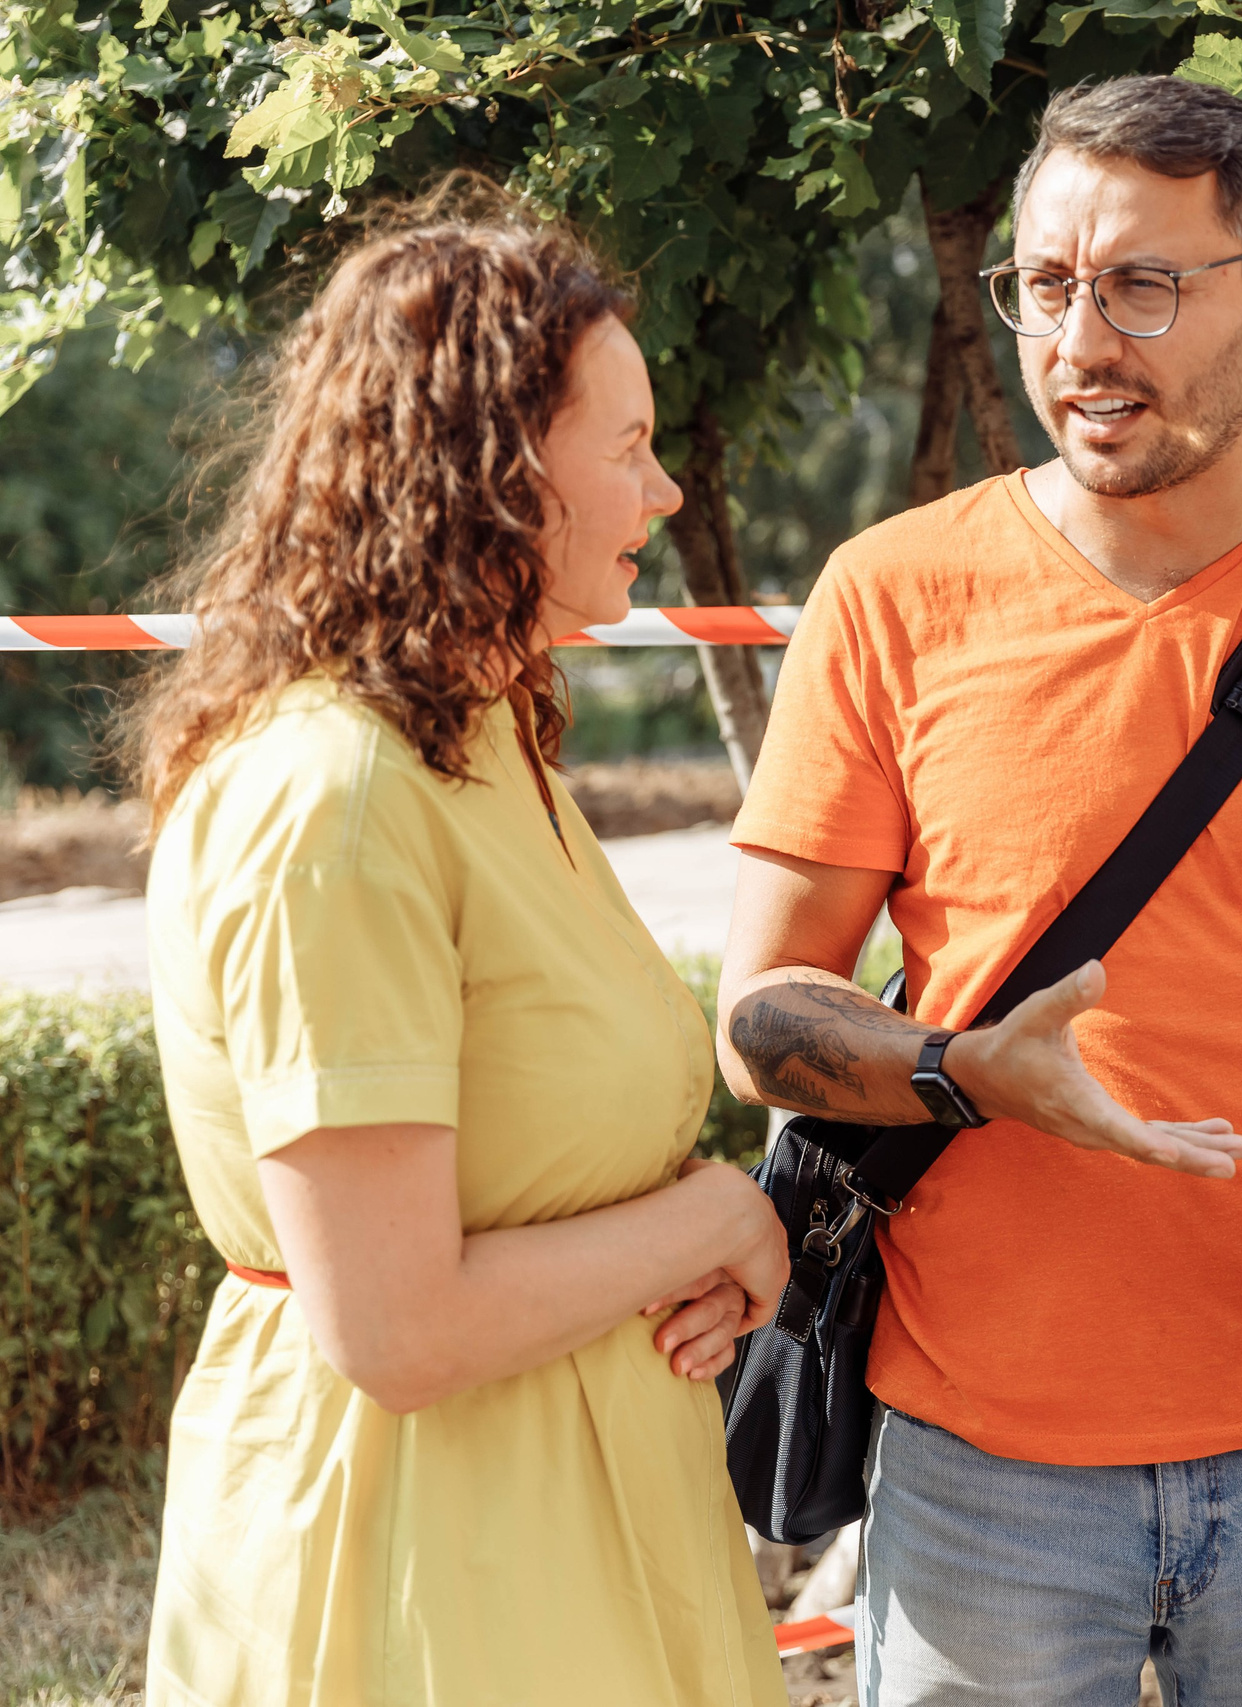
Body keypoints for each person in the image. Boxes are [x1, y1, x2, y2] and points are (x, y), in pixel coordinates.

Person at [715, 74, 1242, 1705]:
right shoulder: (891, 597)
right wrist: (965, 1073)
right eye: (1048, 286)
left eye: (1144, 285)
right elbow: (757, 1022)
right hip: (981, 1469)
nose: (1085, 343)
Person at [134, 200, 790, 1707]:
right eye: (625, 445)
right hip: (420, 1569)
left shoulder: (480, 737)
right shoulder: (338, 799)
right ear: (493, 469)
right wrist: (716, 1216)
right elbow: (399, 1330)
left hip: (550, 1537)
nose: (668, 486)